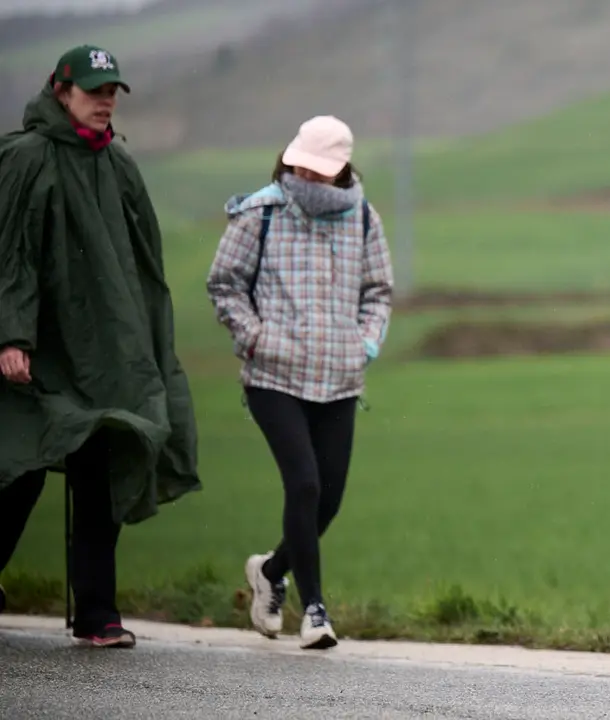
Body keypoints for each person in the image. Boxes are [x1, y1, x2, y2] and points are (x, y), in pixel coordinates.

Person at [0, 45, 201, 648]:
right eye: (93, 91)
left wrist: (145, 344)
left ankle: (96, 612)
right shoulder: (25, 157)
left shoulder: (117, 163)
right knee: (21, 472)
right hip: (36, 351)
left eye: (112, 91)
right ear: (62, 93)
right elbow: (9, 252)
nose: (105, 100)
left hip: (100, 352)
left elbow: (143, 263)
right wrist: (12, 333)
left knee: (97, 472)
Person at [206, 115, 393, 650]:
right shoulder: (259, 212)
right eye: (303, 168)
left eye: (321, 171)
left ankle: (271, 570)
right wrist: (255, 337)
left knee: (327, 501)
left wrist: (366, 344)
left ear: (341, 173)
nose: (309, 179)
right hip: (274, 376)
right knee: (304, 483)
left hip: (339, 376)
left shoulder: (363, 219)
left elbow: (378, 291)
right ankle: (314, 610)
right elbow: (224, 283)